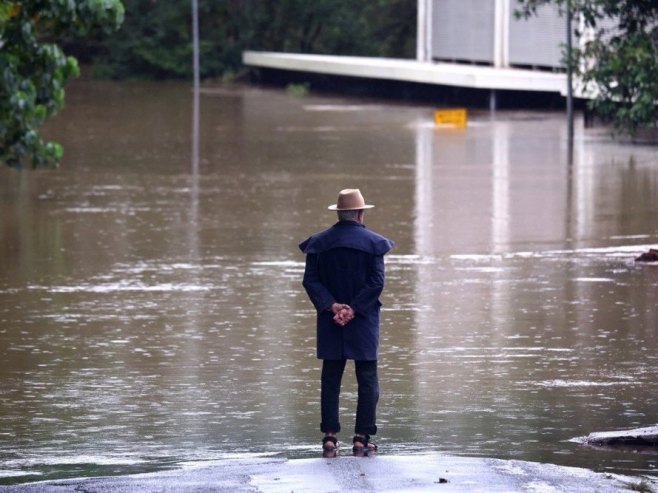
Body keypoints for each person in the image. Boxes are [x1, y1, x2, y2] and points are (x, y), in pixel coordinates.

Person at [299, 188, 394, 456]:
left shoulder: (318, 243)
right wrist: (353, 308)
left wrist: (333, 306)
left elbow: (310, 281)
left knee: (331, 377)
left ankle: (330, 437)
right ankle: (362, 438)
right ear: (361, 214)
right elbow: (376, 283)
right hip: (363, 319)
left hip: (330, 319)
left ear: (339, 213)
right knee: (367, 377)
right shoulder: (374, 243)